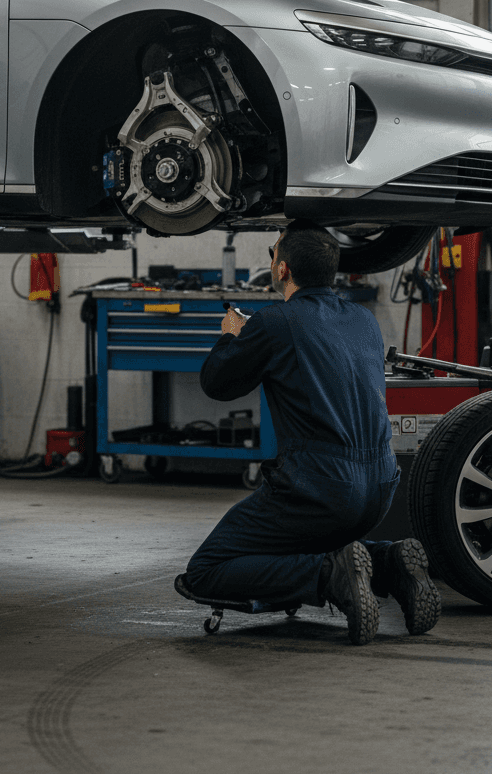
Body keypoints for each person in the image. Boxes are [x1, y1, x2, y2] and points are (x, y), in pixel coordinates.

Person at [184, 220, 441, 645]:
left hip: (319, 489)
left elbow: (217, 384)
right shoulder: (363, 319)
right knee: (300, 537)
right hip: (379, 487)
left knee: (207, 569)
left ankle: (328, 575)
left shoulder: (275, 322)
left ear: (281, 270)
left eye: (274, 254)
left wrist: (231, 337)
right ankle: (390, 562)